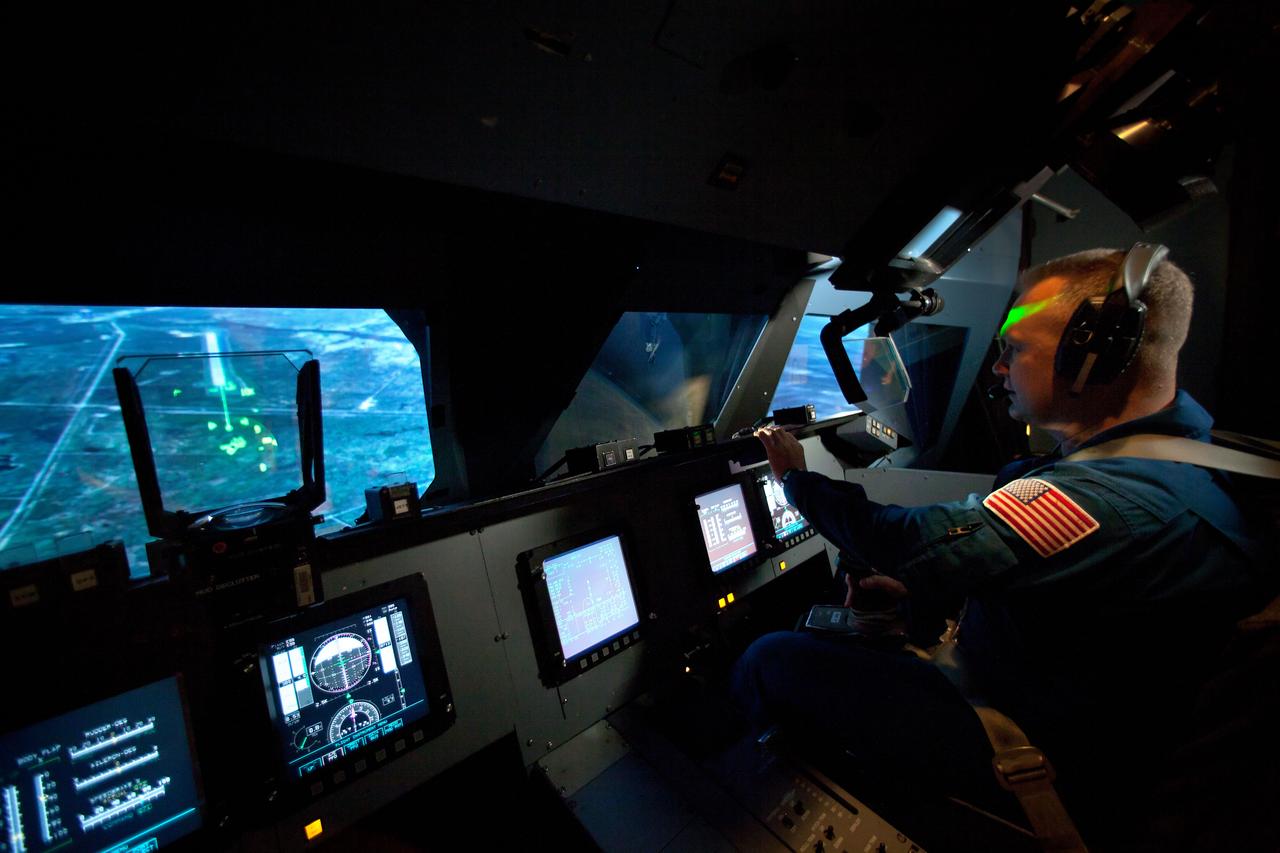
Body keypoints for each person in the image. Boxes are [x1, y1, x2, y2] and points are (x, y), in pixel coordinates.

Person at [734, 248, 1275, 845]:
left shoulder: (1111, 499)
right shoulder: (1188, 455)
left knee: (771, 657)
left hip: (1035, 753)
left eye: (1015, 349)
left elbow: (906, 542)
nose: (997, 369)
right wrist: (915, 598)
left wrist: (795, 477)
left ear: (1094, 358)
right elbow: (1062, 598)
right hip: (1075, 708)